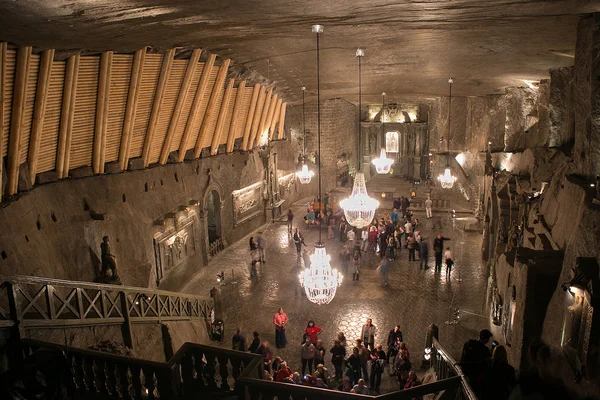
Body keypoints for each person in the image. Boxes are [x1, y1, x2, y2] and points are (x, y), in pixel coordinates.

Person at [460, 329, 493, 396]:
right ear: (486, 339)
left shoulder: (467, 344)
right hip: (476, 377)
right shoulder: (485, 350)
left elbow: (463, 358)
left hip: (464, 373)